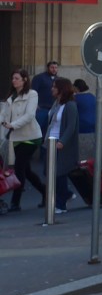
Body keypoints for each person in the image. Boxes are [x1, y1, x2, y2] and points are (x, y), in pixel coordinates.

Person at [0, 68, 44, 212]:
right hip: (17, 137)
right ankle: (46, 192)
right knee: (26, 170)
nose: (14, 81)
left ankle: (15, 202)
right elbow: (3, 114)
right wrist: (3, 123)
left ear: (25, 80)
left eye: (17, 78)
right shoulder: (10, 97)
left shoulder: (32, 94)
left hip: (31, 136)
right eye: (13, 78)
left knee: (19, 167)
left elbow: (30, 115)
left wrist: (13, 125)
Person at [43, 77, 79, 215]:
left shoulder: (70, 105)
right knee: (50, 172)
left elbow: (71, 126)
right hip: (50, 141)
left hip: (60, 143)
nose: (52, 89)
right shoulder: (56, 103)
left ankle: (61, 203)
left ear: (61, 89)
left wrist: (62, 142)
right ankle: (67, 194)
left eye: (54, 87)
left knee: (59, 173)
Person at [30, 60, 58, 137]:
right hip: (42, 109)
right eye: (52, 67)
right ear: (47, 68)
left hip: (54, 109)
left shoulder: (59, 79)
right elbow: (33, 92)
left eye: (56, 67)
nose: (54, 69)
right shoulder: (39, 78)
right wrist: (35, 105)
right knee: (39, 130)